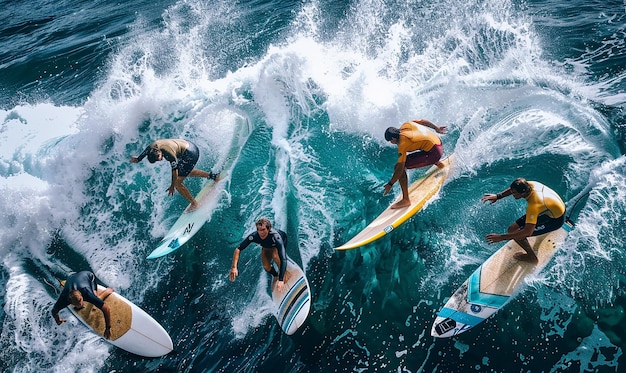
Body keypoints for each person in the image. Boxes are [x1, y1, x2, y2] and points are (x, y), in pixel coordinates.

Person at [481, 178, 566, 263]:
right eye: (512, 191)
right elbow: (512, 189)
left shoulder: (533, 206)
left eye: (514, 193)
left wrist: (501, 237)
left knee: (518, 234)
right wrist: (498, 196)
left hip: (555, 220)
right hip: (550, 209)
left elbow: (527, 232)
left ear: (523, 193)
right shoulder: (529, 184)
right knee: (512, 229)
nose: (512, 194)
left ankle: (532, 258)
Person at [130, 139, 217, 211]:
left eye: (159, 157)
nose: (160, 160)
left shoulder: (169, 153)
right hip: (188, 146)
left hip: (190, 153)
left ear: (159, 152)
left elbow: (174, 172)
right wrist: (138, 159)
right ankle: (213, 176)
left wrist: (172, 186)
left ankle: (194, 204)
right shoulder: (152, 147)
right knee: (186, 172)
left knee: (177, 183)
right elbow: (144, 153)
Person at [383, 119, 448, 209]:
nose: (392, 143)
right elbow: (422, 121)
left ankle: (406, 200)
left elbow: (400, 169)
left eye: (390, 141)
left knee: (400, 167)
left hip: (435, 153)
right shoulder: (407, 124)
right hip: (438, 142)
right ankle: (440, 164)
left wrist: (390, 184)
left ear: (393, 138)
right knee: (420, 143)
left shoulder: (403, 144)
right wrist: (436, 128)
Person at [229, 217, 288, 292]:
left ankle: (283, 274)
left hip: (279, 242)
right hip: (266, 246)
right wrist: (234, 267)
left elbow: (283, 258)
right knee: (266, 266)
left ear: (268, 229)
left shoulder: (275, 237)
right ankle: (275, 275)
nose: (261, 233)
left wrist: (281, 280)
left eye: (263, 230)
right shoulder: (254, 236)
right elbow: (238, 249)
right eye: (258, 230)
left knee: (275, 255)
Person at [51, 271, 115, 339]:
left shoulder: (86, 293)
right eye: (76, 304)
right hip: (70, 278)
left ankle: (107, 291)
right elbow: (54, 311)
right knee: (89, 301)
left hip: (88, 275)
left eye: (80, 301)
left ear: (82, 296)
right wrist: (58, 320)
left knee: (96, 297)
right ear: (70, 302)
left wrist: (108, 328)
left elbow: (106, 308)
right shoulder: (64, 298)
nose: (80, 304)